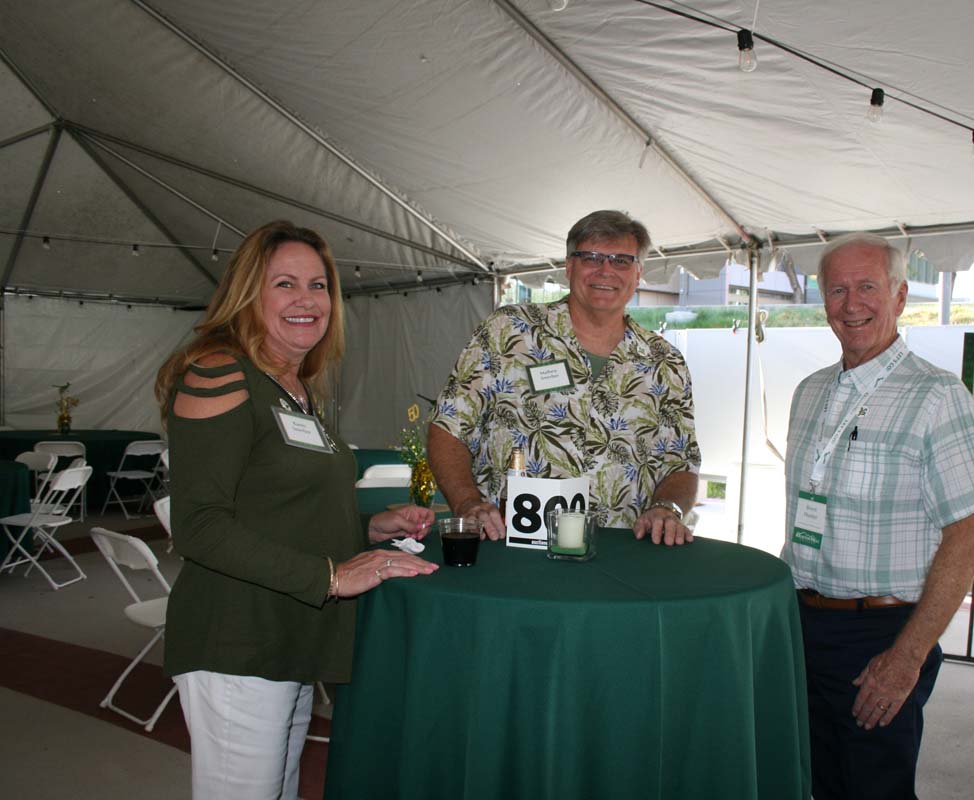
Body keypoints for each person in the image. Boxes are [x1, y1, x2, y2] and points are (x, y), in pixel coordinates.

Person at [155, 220, 439, 799]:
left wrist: (369, 526)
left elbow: (276, 510)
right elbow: (200, 526)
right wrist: (333, 575)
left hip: (290, 634)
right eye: (285, 284)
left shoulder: (295, 387)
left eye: (319, 286)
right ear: (247, 295)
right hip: (238, 640)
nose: (307, 301)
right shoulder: (220, 371)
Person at [782, 232, 974, 800]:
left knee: (874, 788)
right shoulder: (808, 392)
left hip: (880, 635)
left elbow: (968, 538)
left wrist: (906, 659)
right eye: (837, 289)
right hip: (801, 623)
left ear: (901, 296)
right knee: (813, 779)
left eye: (867, 287)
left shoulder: (937, 396)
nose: (851, 304)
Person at [428, 209, 701, 546]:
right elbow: (448, 427)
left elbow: (681, 461)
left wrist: (667, 507)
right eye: (592, 257)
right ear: (569, 266)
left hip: (620, 559)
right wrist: (467, 502)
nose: (606, 270)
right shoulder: (508, 332)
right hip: (510, 548)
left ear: (638, 273)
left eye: (621, 260)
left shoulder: (665, 362)